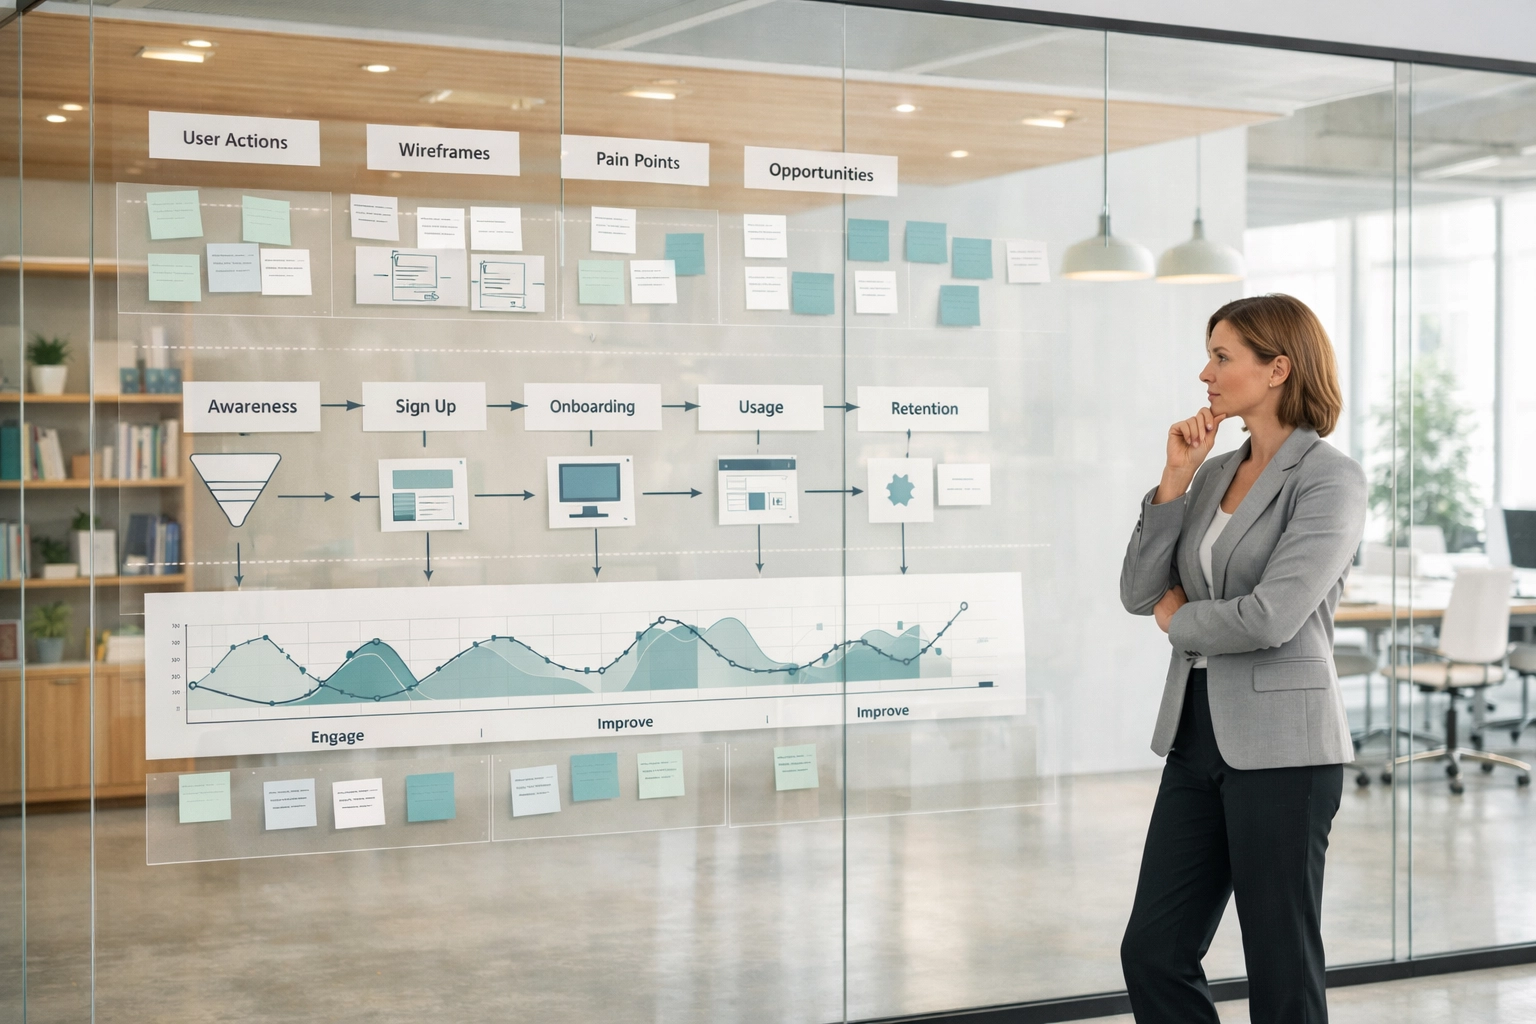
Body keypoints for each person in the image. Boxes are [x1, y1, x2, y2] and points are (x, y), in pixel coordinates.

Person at [1117, 294, 1366, 1024]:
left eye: (1223, 357)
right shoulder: (1214, 469)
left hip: (1286, 752)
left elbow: (1272, 617)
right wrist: (1174, 480)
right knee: (1154, 951)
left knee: (1280, 970)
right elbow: (1138, 590)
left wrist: (1179, 617)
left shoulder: (1328, 479)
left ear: (1278, 368)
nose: (1206, 372)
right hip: (1195, 738)